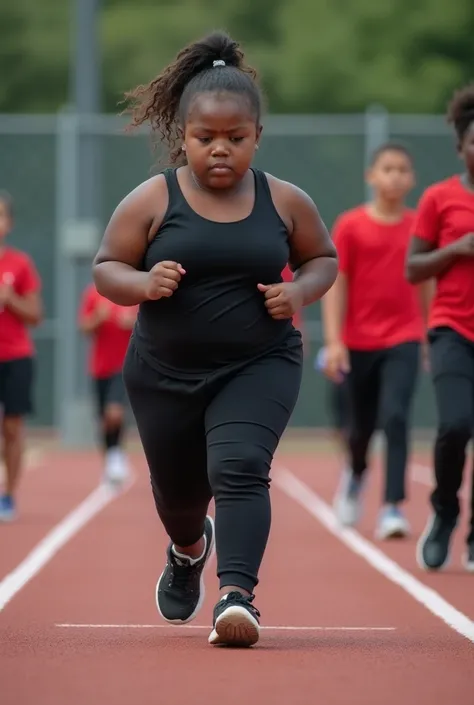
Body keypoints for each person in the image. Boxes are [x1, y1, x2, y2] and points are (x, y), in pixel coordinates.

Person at [92, 30, 338, 647]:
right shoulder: (154, 198)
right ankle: (187, 548)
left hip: (258, 361)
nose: (220, 150)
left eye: (236, 138)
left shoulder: (284, 200)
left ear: (257, 136)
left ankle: (237, 597)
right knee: (177, 499)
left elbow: (322, 260)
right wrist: (143, 282)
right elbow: (106, 270)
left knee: (240, 466)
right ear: (184, 137)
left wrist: (300, 292)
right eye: (206, 139)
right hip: (163, 372)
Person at [322, 143, 432, 540]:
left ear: (412, 178)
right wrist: (335, 341)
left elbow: (425, 284)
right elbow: (338, 285)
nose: (395, 176)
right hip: (357, 342)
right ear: (371, 175)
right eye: (387, 168)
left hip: (404, 337)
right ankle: (355, 475)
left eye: (403, 169)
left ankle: (392, 507)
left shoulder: (420, 227)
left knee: (397, 416)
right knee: (359, 429)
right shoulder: (350, 225)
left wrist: (431, 334)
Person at [406, 83, 474, 573]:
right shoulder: (439, 198)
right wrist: (455, 250)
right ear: (461, 148)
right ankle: (445, 513)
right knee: (454, 425)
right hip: (452, 328)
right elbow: (413, 268)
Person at [0, 191, 43, 521]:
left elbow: (35, 314)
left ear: (8, 223)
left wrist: (10, 298)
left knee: (13, 428)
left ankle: (9, 495)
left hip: (15, 356)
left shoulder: (19, 264)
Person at [78, 282, 137, 485]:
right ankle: (112, 458)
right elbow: (83, 328)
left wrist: (133, 323)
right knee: (104, 418)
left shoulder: (132, 291)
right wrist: (98, 318)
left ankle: (116, 456)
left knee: (115, 412)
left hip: (125, 365)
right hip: (100, 366)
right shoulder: (93, 293)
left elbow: (150, 325)